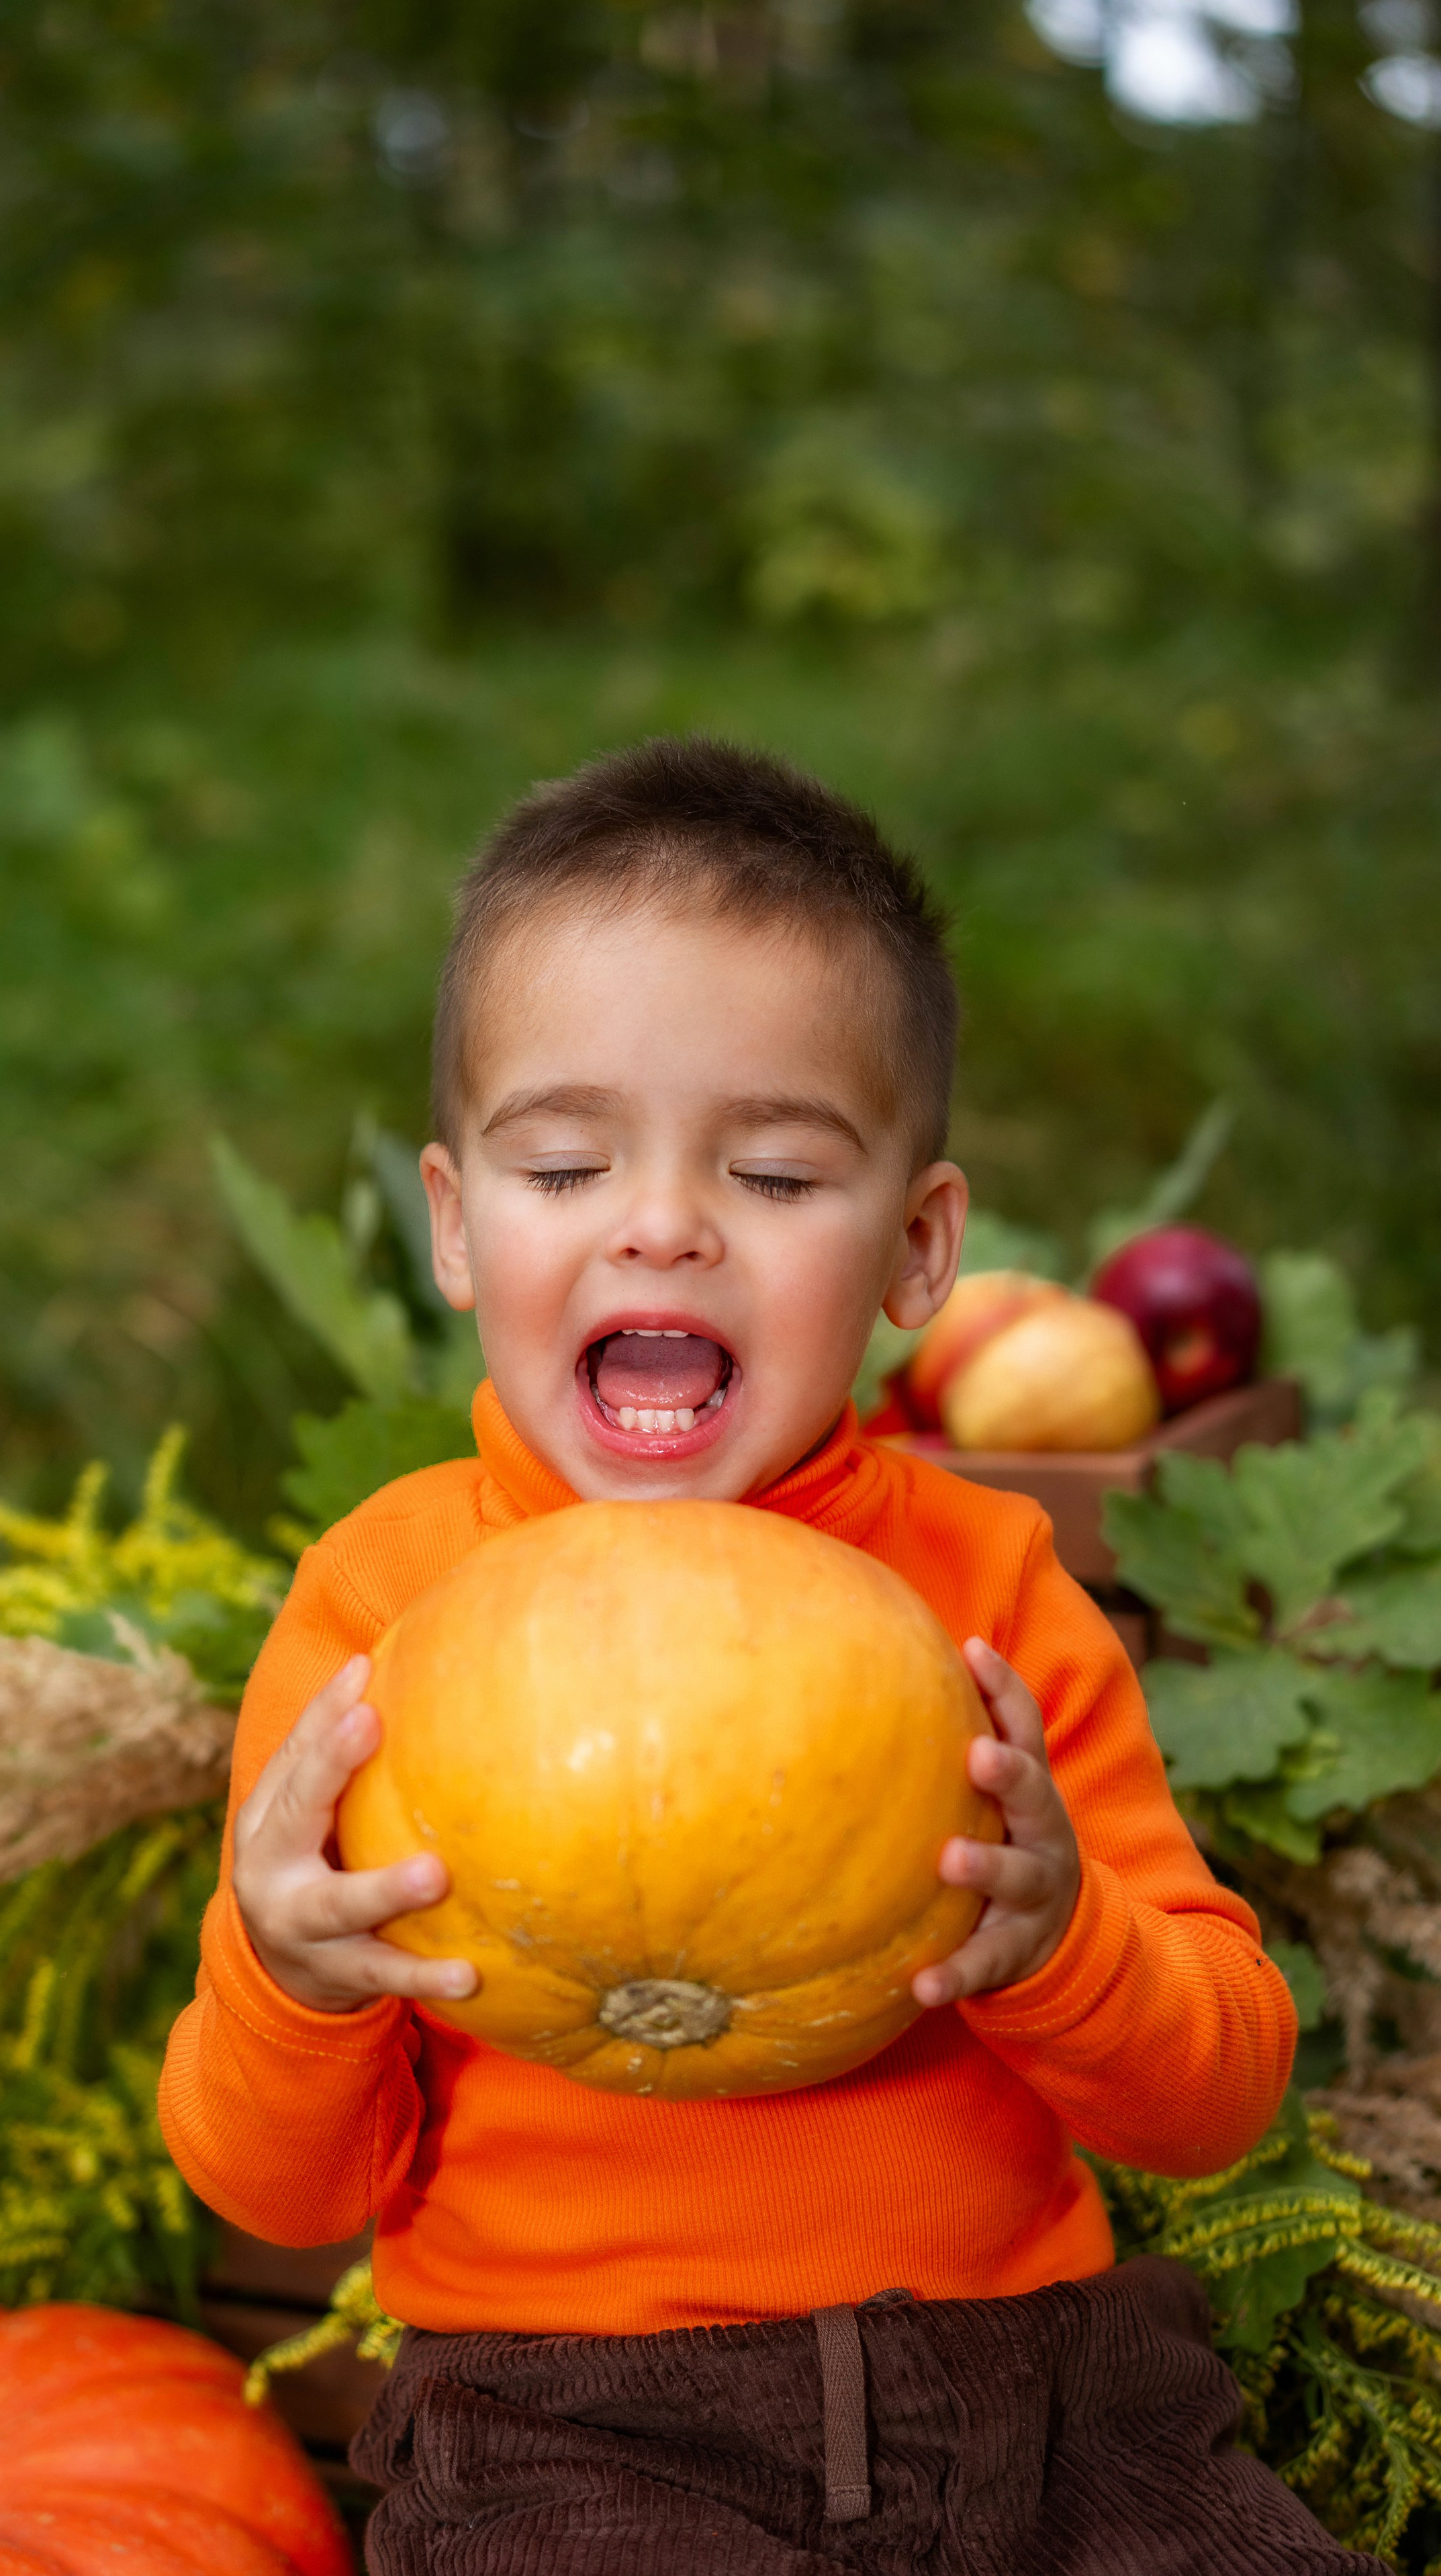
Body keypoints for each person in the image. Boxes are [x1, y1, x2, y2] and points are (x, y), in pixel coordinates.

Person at [160, 738, 1366, 2573]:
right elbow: (273, 2186)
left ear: (918, 1249)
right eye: (569, 1162)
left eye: (780, 1174)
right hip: (573, 2438)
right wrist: (295, 1976)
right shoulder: (379, 1610)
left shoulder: (989, 1588)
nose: (662, 1222)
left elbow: (1217, 2095)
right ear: (454, 1227)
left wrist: (1063, 1944)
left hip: (1044, 2399)